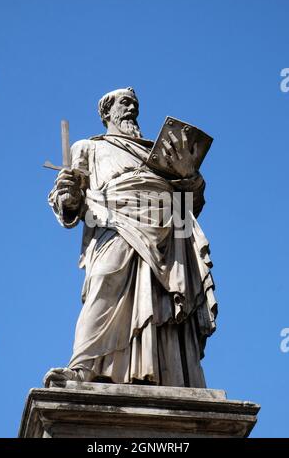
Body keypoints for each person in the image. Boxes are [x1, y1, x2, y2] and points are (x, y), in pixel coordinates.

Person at [44, 87, 217, 388]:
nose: (131, 109)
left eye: (135, 104)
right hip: (114, 220)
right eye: (124, 103)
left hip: (168, 229)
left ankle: (173, 374)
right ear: (106, 112)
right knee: (104, 281)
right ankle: (82, 367)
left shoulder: (158, 153)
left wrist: (189, 174)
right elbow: (70, 204)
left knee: (161, 300)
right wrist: (67, 193)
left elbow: (192, 202)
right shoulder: (88, 148)